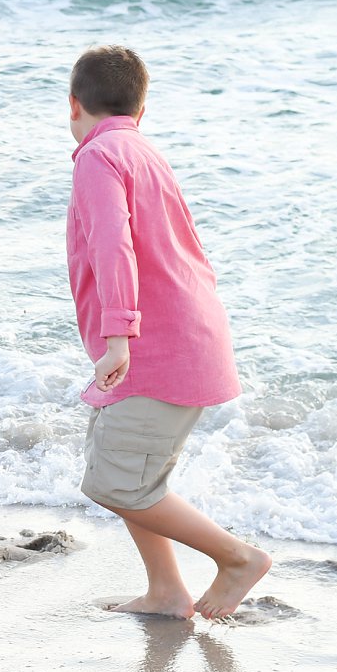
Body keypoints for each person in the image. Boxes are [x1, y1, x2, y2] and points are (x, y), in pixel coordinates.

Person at [65, 45, 270, 620]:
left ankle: (238, 559)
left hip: (155, 346)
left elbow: (114, 245)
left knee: (116, 483)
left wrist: (119, 337)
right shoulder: (141, 150)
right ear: (141, 109)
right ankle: (165, 591)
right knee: (129, 473)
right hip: (181, 336)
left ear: (73, 104)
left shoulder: (98, 156)